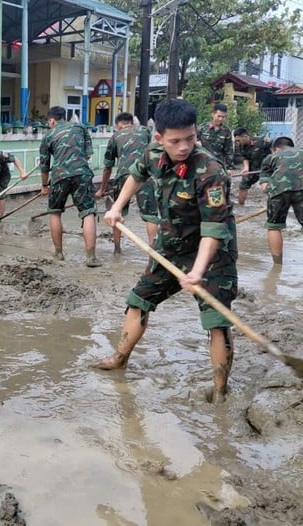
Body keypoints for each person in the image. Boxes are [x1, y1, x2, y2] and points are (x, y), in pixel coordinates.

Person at [93, 99, 237, 404]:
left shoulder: (210, 171)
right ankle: (119, 358)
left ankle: (221, 390)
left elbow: (213, 229)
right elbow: (136, 174)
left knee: (217, 320)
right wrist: (117, 207)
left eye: (190, 138)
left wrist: (197, 272)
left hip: (211, 254)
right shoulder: (154, 153)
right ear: (159, 138)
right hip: (170, 245)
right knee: (139, 300)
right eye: (175, 141)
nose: (184, 146)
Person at [39, 106, 101, 267]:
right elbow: (87, 154)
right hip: (82, 174)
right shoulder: (80, 127)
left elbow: (44, 167)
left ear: (52, 120)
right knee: (88, 213)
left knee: (55, 212)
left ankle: (58, 253)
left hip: (59, 176)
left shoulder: (48, 136)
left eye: (49, 122)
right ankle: (91, 257)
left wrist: (44, 186)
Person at [96, 112, 159, 252]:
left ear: (118, 126)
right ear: (132, 122)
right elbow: (153, 149)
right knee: (151, 215)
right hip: (145, 174)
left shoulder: (115, 136)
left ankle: (117, 249)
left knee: (117, 212)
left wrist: (102, 189)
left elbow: (107, 168)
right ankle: (153, 251)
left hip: (123, 175)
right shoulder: (145, 130)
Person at [258, 136, 303, 265]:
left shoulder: (271, 157)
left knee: (274, 226)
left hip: (279, 189)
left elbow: (264, 183)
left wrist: (271, 191)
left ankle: (277, 266)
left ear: (276, 149)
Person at [233, 128, 271, 205]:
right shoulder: (241, 145)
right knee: (243, 185)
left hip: (267, 169)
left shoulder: (262, 141)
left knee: (269, 187)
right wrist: (246, 168)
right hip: (253, 169)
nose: (237, 143)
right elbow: (245, 157)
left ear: (244, 136)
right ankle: (241, 205)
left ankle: (275, 204)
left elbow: (276, 149)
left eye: (238, 140)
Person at [196, 103, 233, 171]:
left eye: (223, 117)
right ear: (212, 114)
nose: (221, 119)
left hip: (218, 165)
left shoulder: (226, 131)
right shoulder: (202, 128)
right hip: (202, 164)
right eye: (219, 116)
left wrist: (229, 168)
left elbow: (228, 151)